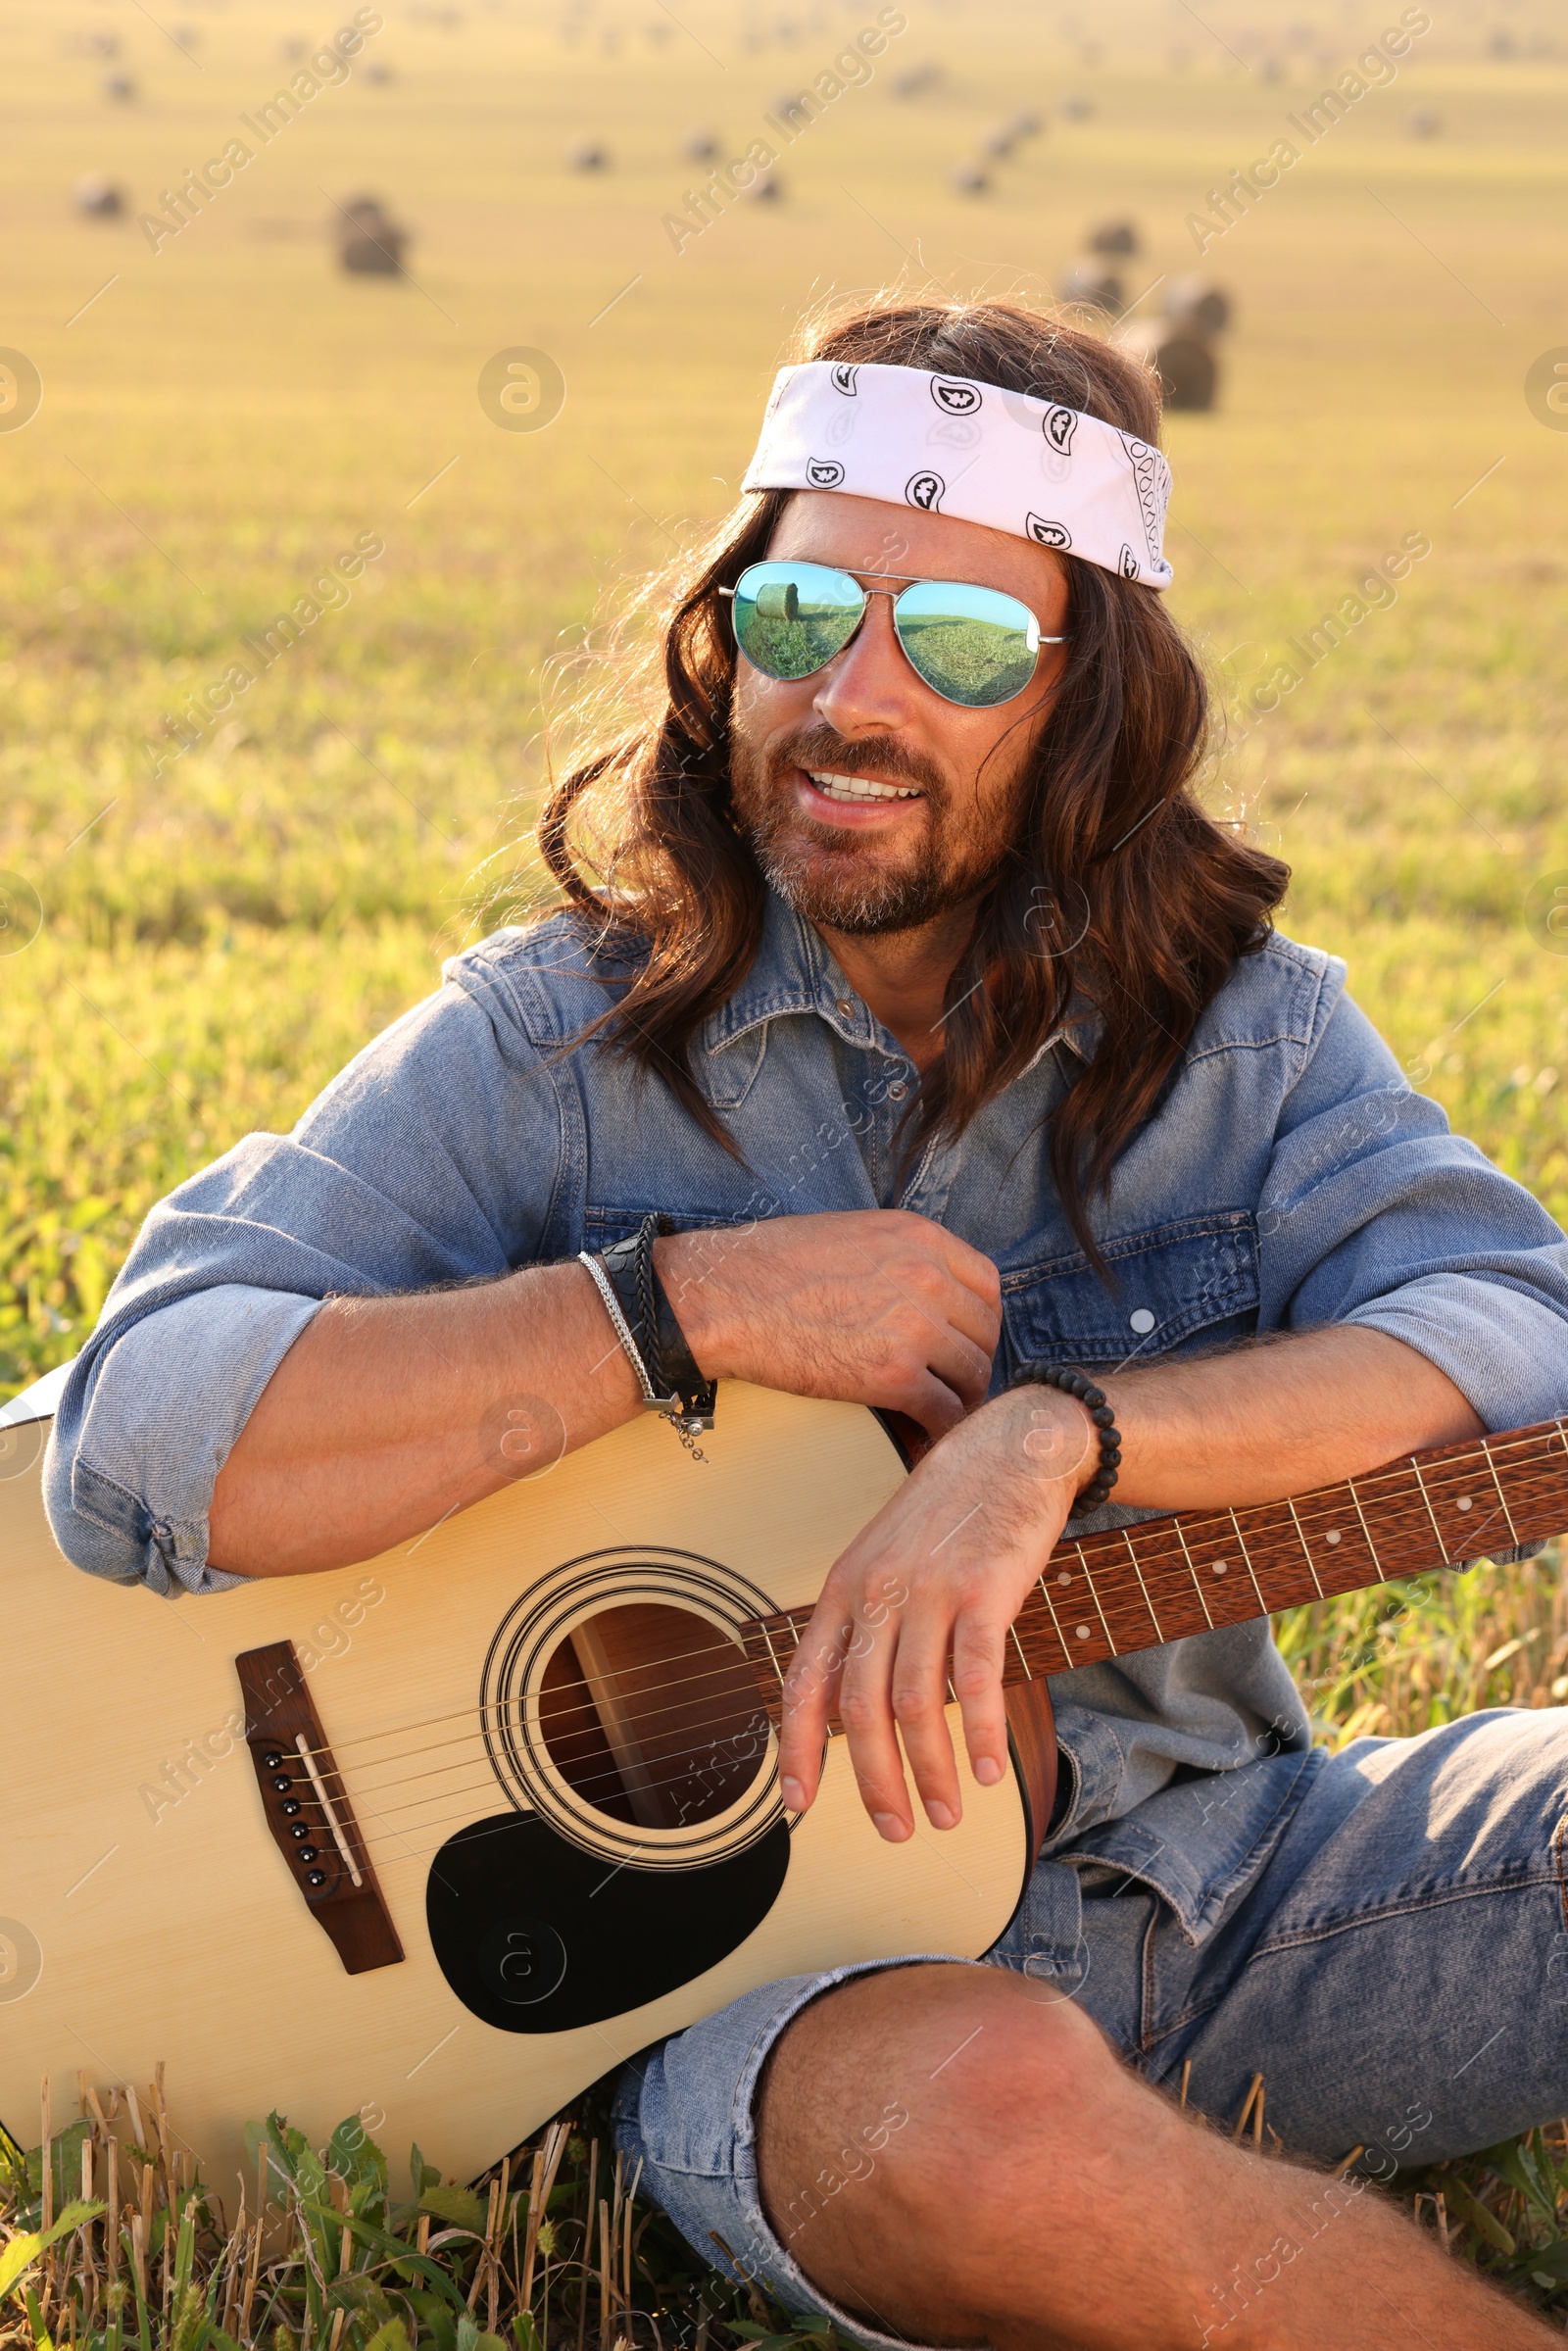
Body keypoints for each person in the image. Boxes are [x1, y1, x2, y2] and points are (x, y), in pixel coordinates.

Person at [44, 295, 1568, 2349]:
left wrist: (1059, 1445)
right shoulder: (544, 1040)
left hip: (1221, 1888)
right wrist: (673, 1311)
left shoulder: (1254, 1046)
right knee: (991, 2125)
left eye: (951, 646)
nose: (846, 699)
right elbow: (138, 1436)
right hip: (765, 2011)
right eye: (795, 615)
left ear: (1083, 703)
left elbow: (1515, 1332)